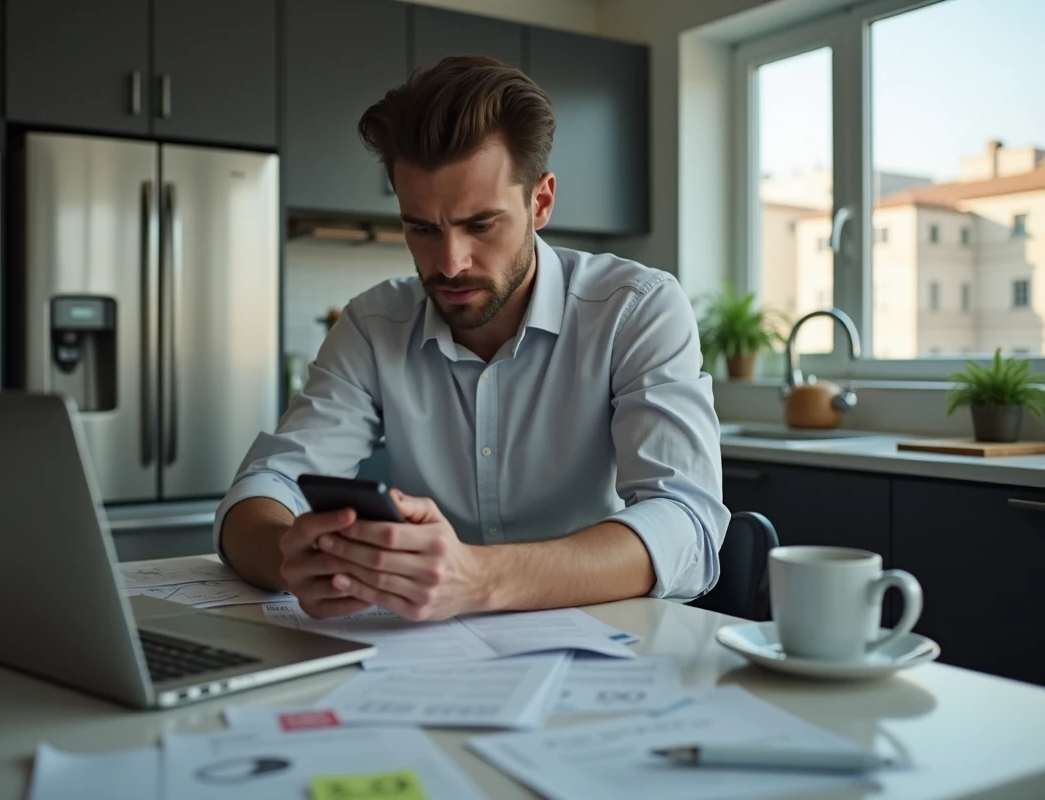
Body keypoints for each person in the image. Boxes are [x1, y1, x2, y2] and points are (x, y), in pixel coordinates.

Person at [213, 56, 729, 621]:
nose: (450, 263)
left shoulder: (636, 308)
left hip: (611, 641)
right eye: (422, 229)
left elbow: (686, 524)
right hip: (428, 651)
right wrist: (291, 558)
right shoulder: (372, 325)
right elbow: (262, 490)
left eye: (480, 225)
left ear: (541, 202)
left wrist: (480, 579)